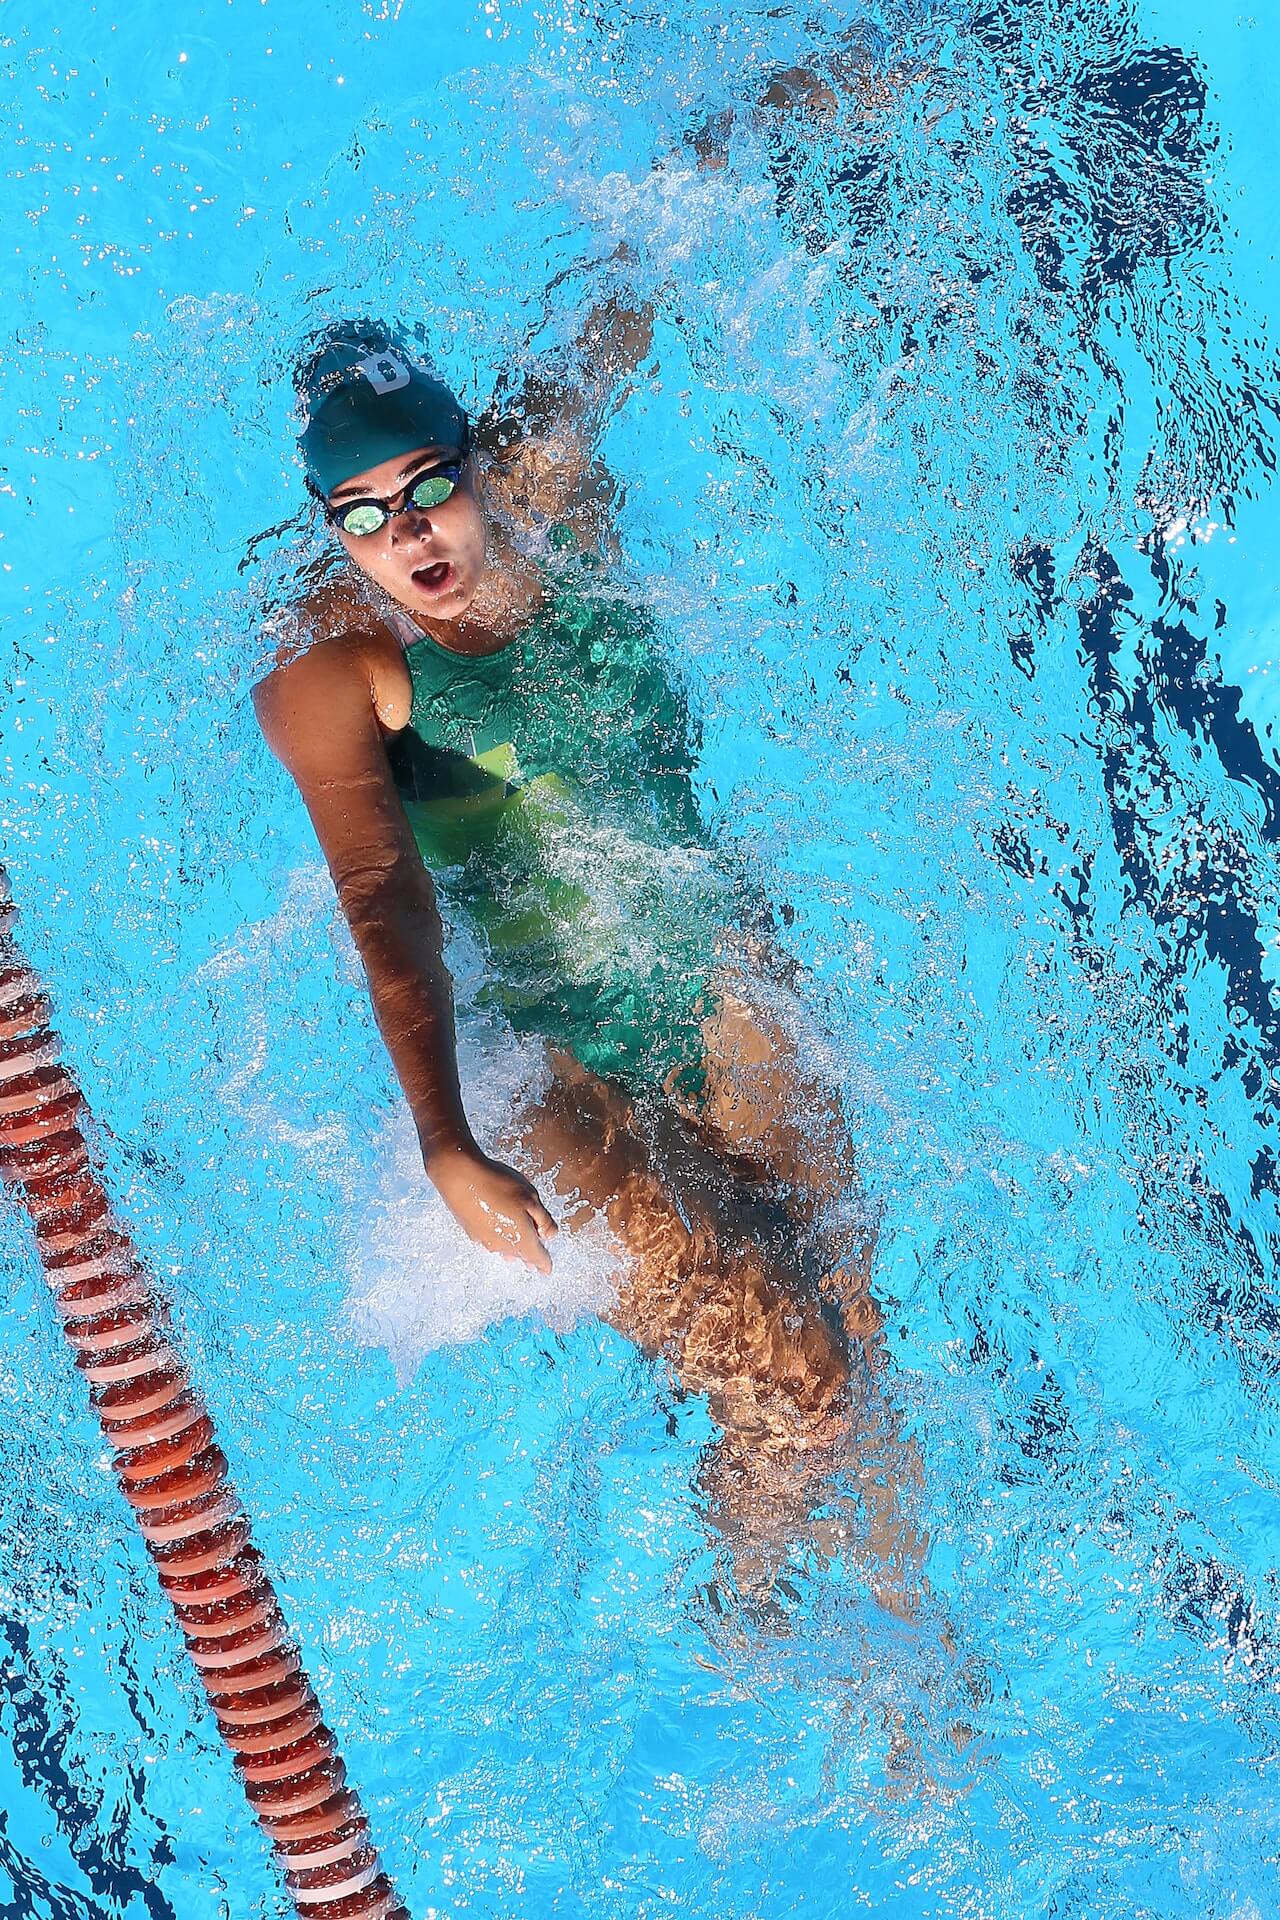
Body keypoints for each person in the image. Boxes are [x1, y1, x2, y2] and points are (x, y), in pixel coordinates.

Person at [253, 304, 917, 1610]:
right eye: (365, 515)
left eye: (433, 487)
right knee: (807, 1395)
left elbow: (643, 252)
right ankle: (745, 1626)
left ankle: (897, 1659)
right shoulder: (337, 670)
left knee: (854, 1324)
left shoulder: (549, 482)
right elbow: (384, 898)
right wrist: (446, 1136)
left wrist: (834, 94)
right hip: (552, 1071)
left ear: (478, 455)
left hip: (717, 973)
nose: (413, 534)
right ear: (327, 525)